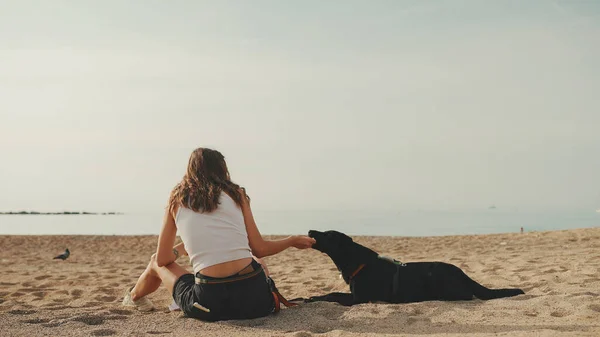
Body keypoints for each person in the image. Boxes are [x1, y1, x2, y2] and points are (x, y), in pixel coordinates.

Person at [122, 148, 315, 321]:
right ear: (222, 169)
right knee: (255, 259)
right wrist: (291, 240)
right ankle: (135, 297)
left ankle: (134, 297)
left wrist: (183, 249)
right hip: (256, 303)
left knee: (155, 261)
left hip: (209, 305)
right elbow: (259, 248)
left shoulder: (177, 200)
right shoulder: (237, 194)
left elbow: (164, 258)